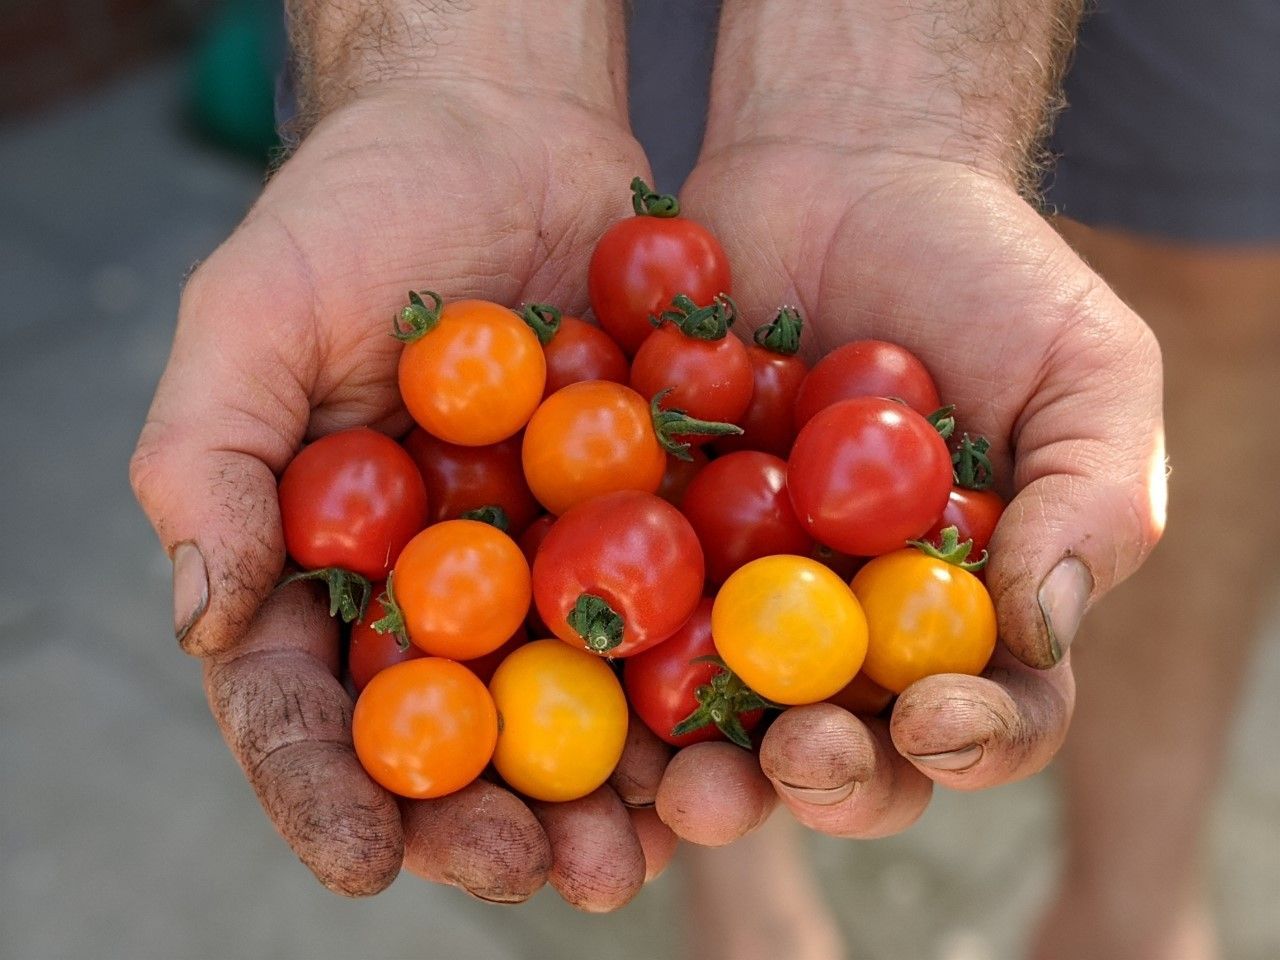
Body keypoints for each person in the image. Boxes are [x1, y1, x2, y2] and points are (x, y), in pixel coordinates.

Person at [130, 0, 1171, 939]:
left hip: (688, 607)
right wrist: (450, 78)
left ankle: (1138, 903)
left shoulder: (664, 451)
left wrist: (888, 117)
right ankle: (742, 895)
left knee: (1210, 263)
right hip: (692, 634)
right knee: (733, 762)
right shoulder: (623, 460)